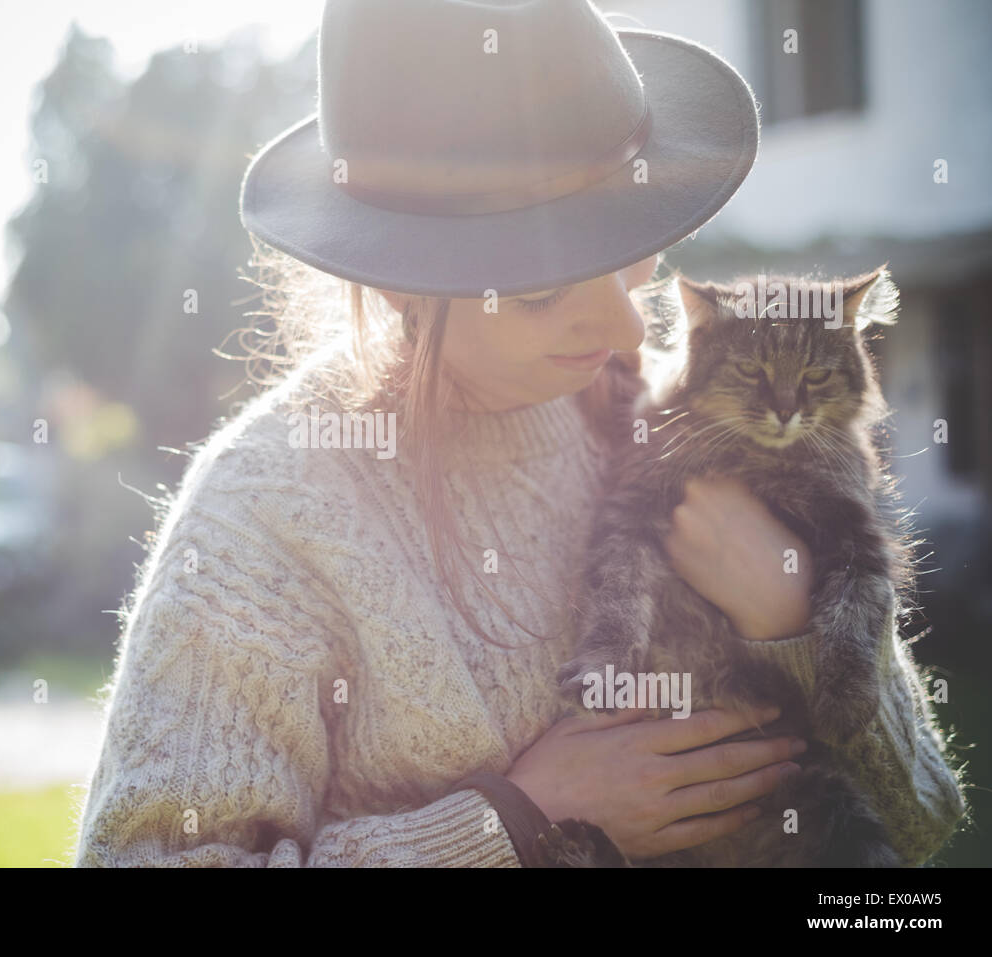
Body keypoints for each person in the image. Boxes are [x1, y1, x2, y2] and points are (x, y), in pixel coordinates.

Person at [74, 0, 965, 867]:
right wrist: (512, 823)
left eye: (633, 257)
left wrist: (795, 610)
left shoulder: (662, 420)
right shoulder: (263, 519)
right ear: (400, 281)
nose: (626, 334)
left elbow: (919, 812)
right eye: (546, 294)